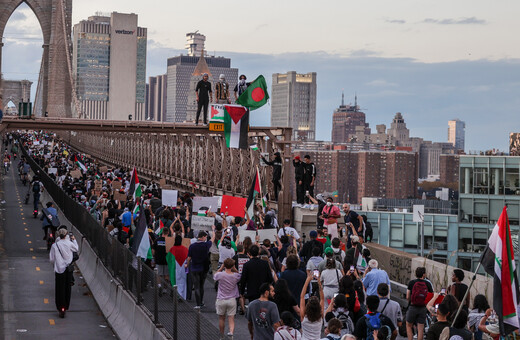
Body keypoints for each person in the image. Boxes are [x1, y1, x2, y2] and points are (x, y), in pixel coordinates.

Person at [49, 228, 78, 318]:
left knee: (59, 288)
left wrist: (56, 263)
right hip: (68, 270)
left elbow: (51, 259)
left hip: (59, 270)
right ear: (66, 235)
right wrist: (74, 239)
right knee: (67, 288)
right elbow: (76, 249)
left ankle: (60, 306)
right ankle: (65, 305)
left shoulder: (55, 246)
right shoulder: (69, 244)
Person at [214, 258, 241, 339]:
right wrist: (235, 269)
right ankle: (231, 333)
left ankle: (222, 335)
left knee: (221, 318)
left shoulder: (220, 275)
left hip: (221, 298)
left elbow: (215, 276)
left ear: (224, 265)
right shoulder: (236, 276)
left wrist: (221, 268)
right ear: (232, 266)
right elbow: (239, 275)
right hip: (232, 299)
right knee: (231, 318)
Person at [185, 230, 214, 307]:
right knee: (201, 286)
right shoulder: (206, 245)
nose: (206, 238)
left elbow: (189, 258)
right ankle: (201, 302)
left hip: (194, 268)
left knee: (196, 286)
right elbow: (212, 239)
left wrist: (187, 265)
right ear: (203, 237)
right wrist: (213, 230)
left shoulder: (192, 246)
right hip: (203, 268)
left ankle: (198, 304)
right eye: (205, 237)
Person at [405, 267, 434, 340]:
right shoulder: (427, 283)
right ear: (424, 274)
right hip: (423, 308)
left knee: (409, 326)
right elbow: (432, 296)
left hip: (412, 307)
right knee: (420, 328)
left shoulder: (412, 282)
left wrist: (412, 301)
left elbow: (407, 296)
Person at [300, 273, 325, 340]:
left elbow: (302, 297)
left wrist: (307, 281)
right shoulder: (320, 316)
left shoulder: (303, 316)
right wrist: (319, 283)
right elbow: (322, 299)